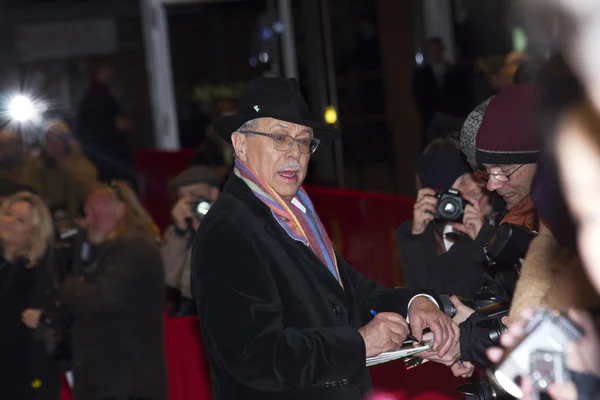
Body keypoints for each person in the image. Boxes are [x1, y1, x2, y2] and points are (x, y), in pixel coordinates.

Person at [190, 77, 459, 400]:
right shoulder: (229, 231)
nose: (296, 154)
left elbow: (355, 295)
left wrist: (418, 304)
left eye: (304, 142)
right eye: (280, 138)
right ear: (240, 144)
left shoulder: (296, 213)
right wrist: (358, 344)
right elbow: (256, 356)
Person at [60, 181, 167, 400]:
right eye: (86, 213)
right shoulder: (119, 249)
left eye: (96, 213)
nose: (88, 220)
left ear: (121, 210)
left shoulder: (130, 247)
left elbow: (104, 298)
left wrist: (71, 288)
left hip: (122, 382)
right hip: (119, 379)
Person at [397, 138, 494, 297]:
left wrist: (485, 239)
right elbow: (426, 298)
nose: (471, 191)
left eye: (468, 178)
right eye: (454, 195)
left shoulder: (511, 218)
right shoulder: (434, 238)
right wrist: (417, 237)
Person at [0, 191, 61, 400]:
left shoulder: (40, 269)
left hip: (25, 373)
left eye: (20, 220)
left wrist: (45, 317)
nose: (9, 222)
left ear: (34, 231)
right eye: (7, 214)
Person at [162, 165, 221, 312]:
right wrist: (179, 232)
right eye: (183, 197)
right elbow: (168, 279)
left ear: (214, 193)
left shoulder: (233, 224)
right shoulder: (180, 231)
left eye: (195, 196)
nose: (190, 203)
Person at [76, 61, 138, 192]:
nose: (109, 73)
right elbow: (94, 129)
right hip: (108, 158)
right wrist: (115, 126)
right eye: (105, 69)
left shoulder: (102, 94)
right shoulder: (97, 97)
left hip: (109, 156)